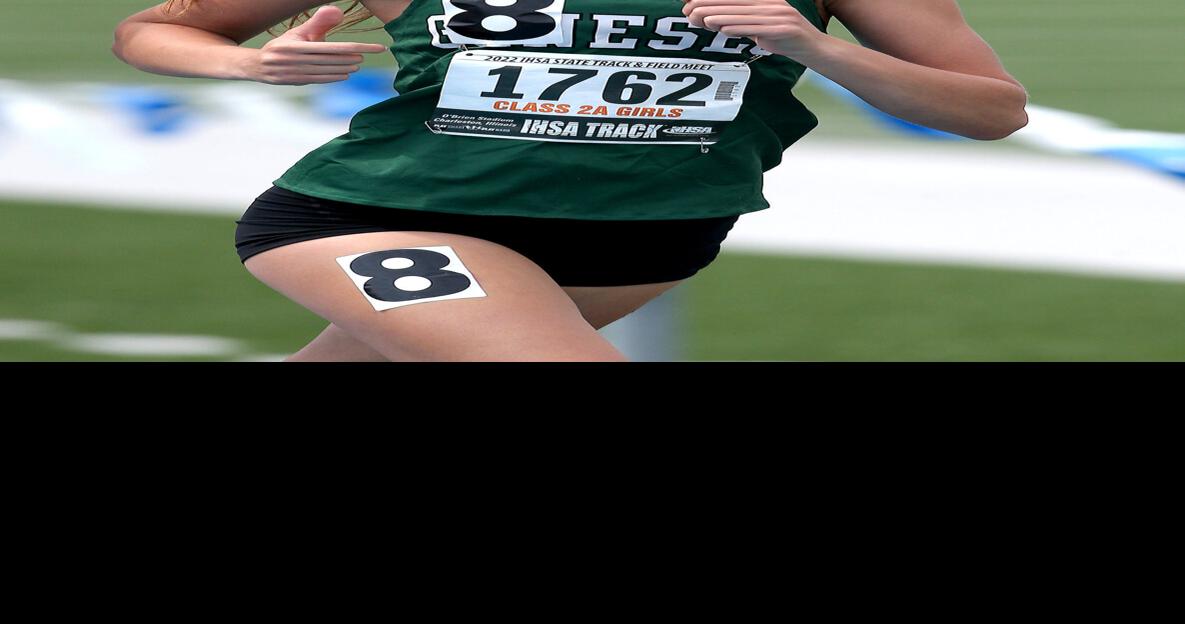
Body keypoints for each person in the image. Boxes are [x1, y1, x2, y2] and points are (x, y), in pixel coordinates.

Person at [112, 0, 1028, 362]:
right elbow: (152, 28)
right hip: (374, 216)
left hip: (635, 244)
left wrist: (816, 47)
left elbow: (991, 110)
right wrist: (246, 68)